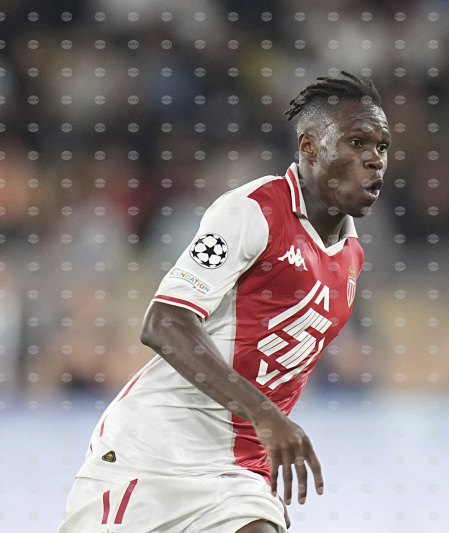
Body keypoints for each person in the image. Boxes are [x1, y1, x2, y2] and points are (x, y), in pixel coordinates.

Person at [59, 71, 391, 533]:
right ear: (310, 146)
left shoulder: (351, 258)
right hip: (151, 453)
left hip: (237, 474)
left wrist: (262, 471)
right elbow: (164, 322)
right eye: (357, 142)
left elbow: (279, 370)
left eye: (382, 147)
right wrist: (265, 416)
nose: (375, 160)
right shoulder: (254, 211)